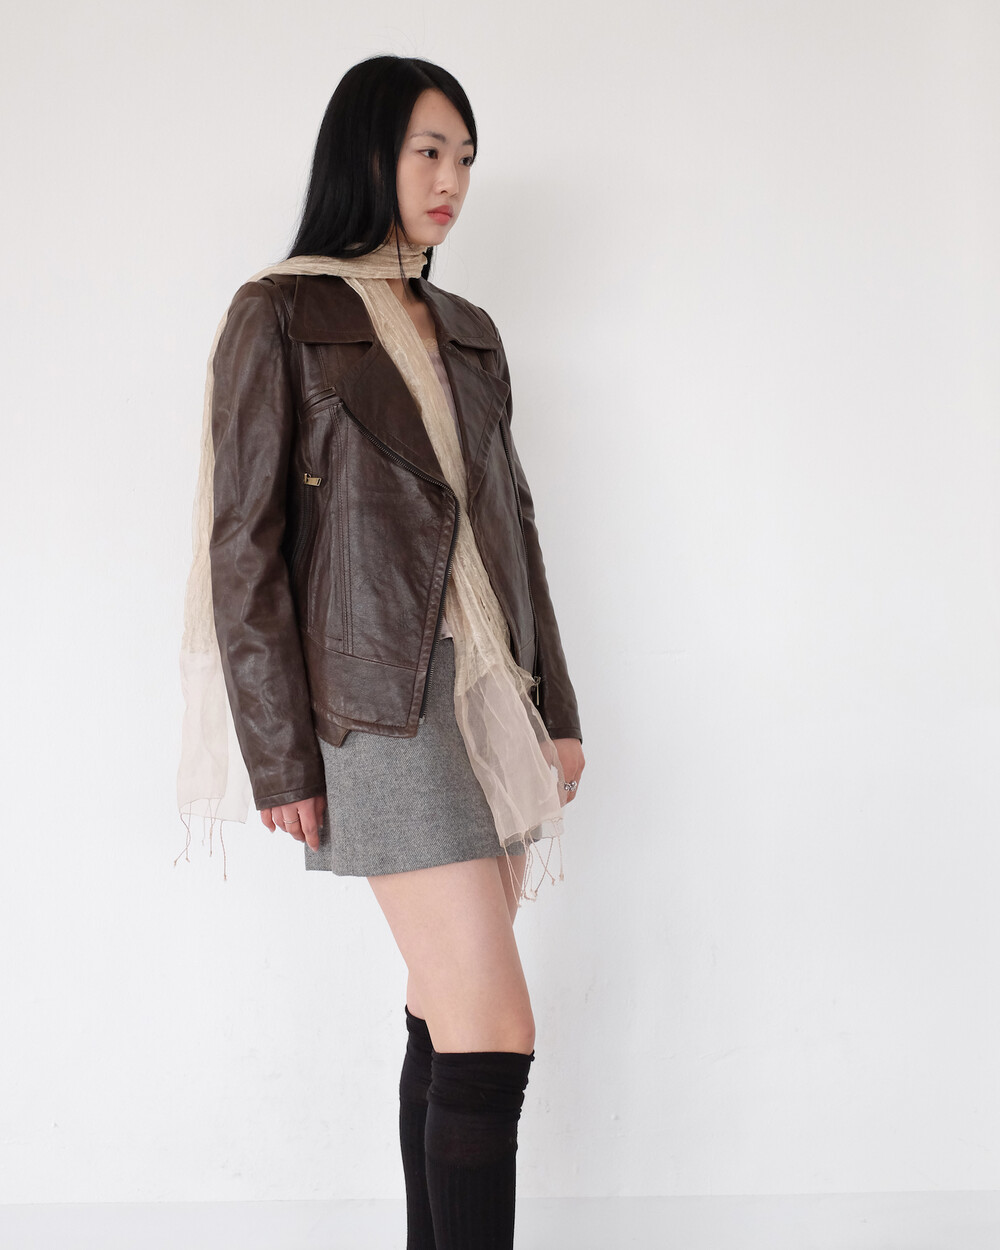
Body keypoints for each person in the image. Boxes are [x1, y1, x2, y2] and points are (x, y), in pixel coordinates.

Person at [178, 54, 585, 1250]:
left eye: (465, 157)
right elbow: (244, 546)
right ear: (365, 154)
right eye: (428, 151)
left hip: (490, 695)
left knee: (447, 1012)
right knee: (492, 1029)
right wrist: (278, 754)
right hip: (377, 705)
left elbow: (513, 527)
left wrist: (557, 708)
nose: (451, 179)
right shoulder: (277, 314)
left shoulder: (468, 331)